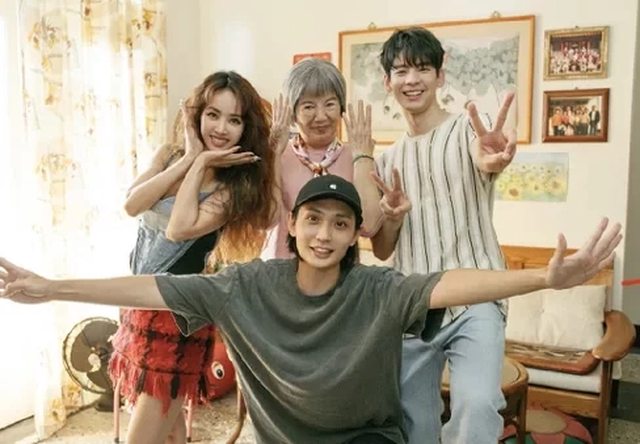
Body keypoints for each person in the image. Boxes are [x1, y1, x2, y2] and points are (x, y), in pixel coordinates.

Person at [0, 174, 622, 444]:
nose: (325, 234)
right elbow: (151, 288)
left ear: (354, 237)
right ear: (293, 227)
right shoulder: (245, 286)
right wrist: (51, 287)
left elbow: (451, 285)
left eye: (341, 224)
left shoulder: (378, 289)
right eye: (314, 220)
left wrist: (543, 277)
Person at [351, 27, 519, 443]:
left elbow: (486, 158)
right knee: (411, 421)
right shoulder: (387, 161)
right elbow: (383, 249)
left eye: (423, 69)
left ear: (440, 75)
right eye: (401, 71)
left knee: (477, 405)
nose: (412, 80)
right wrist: (392, 218)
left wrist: (491, 157)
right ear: (387, 81)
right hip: (413, 305)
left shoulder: (469, 132)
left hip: (476, 299)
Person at [109, 71, 276, 444]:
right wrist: (189, 158)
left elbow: (178, 229)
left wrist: (201, 164)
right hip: (139, 302)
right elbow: (132, 205)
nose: (221, 128)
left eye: (234, 120)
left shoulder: (235, 185)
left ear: (245, 128)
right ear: (197, 115)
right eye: (213, 114)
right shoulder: (169, 155)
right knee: (167, 432)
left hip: (179, 313)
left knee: (145, 433)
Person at [266, 57, 373, 259]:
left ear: (341, 107)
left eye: (330, 104)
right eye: (308, 107)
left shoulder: (356, 156)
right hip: (283, 269)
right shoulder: (279, 155)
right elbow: (266, 220)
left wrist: (363, 157)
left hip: (340, 272)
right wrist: (272, 156)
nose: (321, 116)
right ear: (292, 112)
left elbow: (368, 226)